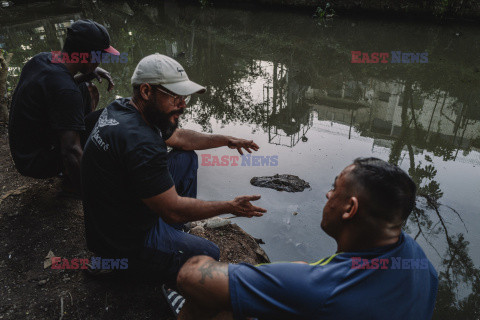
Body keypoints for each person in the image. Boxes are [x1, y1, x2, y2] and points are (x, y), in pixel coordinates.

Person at [174, 158, 438, 320]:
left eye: (335, 188)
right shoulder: (421, 264)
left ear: (350, 209)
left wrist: (289, 277)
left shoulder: (319, 288)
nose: (327, 195)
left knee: (213, 295)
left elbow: (190, 274)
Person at [81, 53, 267, 283]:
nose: (183, 104)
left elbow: (180, 138)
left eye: (184, 97)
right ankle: (116, 265)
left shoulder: (123, 108)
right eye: (175, 97)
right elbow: (174, 210)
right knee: (208, 254)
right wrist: (230, 206)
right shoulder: (140, 141)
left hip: (116, 211)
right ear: (147, 91)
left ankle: (171, 236)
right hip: (125, 236)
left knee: (186, 159)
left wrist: (227, 140)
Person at [8, 19, 117, 194]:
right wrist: (92, 195)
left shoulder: (42, 59)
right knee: (110, 119)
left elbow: (57, 87)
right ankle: (70, 176)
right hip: (37, 163)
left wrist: (88, 72)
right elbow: (70, 150)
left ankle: (74, 164)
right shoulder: (65, 90)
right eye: (100, 56)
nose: (101, 60)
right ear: (87, 56)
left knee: (86, 87)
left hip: (24, 154)